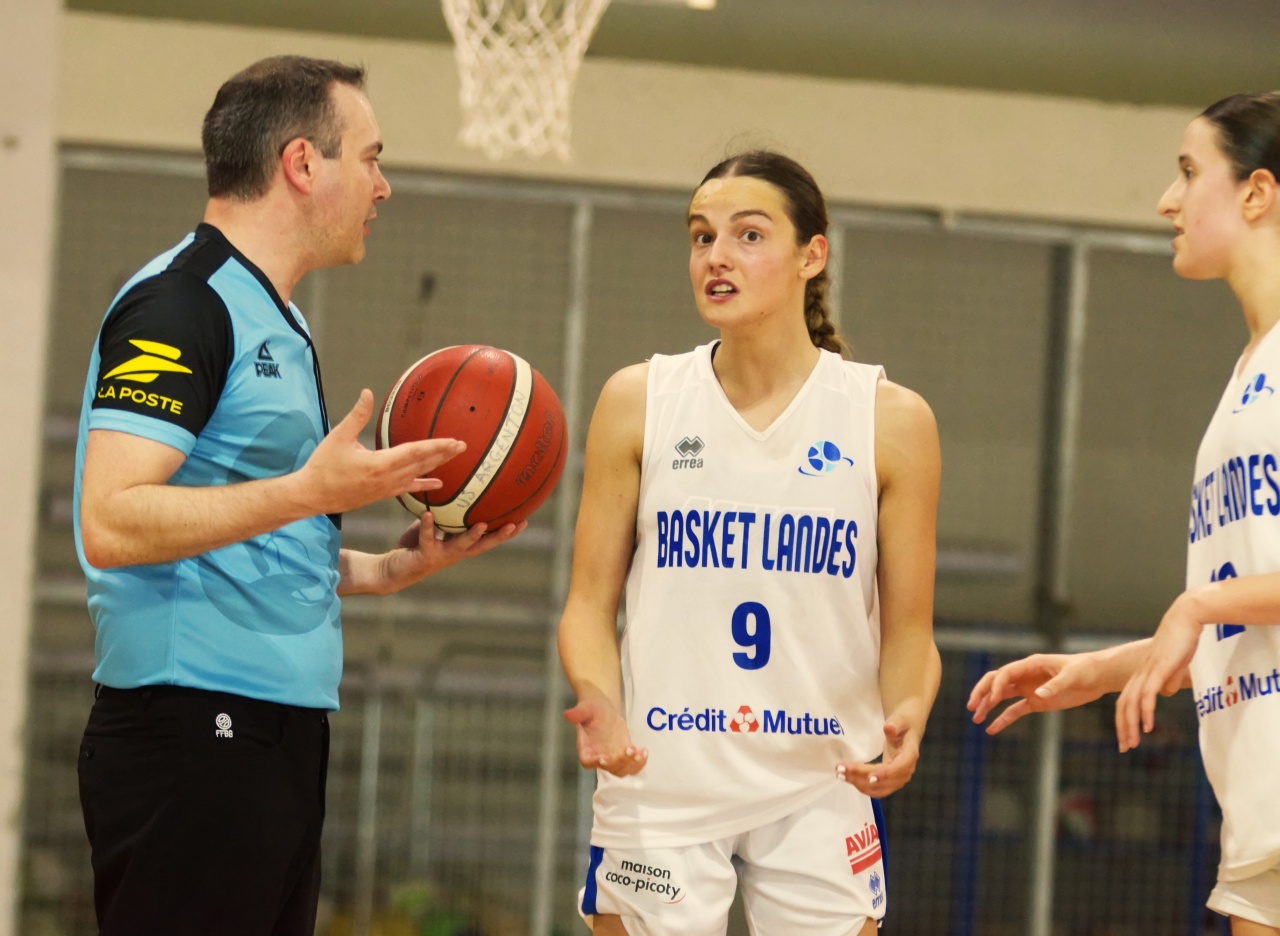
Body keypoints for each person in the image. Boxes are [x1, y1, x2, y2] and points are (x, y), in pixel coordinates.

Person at [73, 56, 523, 936]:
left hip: (272, 733)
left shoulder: (278, 315)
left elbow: (249, 530)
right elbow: (111, 520)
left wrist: (382, 570)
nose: (384, 186)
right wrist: (308, 491)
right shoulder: (181, 304)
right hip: (191, 726)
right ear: (302, 164)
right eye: (372, 158)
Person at [558, 150, 942, 935]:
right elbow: (588, 606)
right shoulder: (638, 401)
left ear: (812, 255)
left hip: (821, 781)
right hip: (662, 780)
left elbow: (909, 631)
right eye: (702, 236)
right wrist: (600, 699)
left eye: (749, 235)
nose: (717, 256)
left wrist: (909, 712)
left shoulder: (890, 419)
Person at [968, 92, 1280, 935]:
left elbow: (1215, 603)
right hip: (1257, 794)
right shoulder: (1249, 370)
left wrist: (1199, 605)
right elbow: (1250, 611)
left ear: (1256, 193)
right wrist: (1102, 670)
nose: (1167, 201)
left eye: (1188, 172)